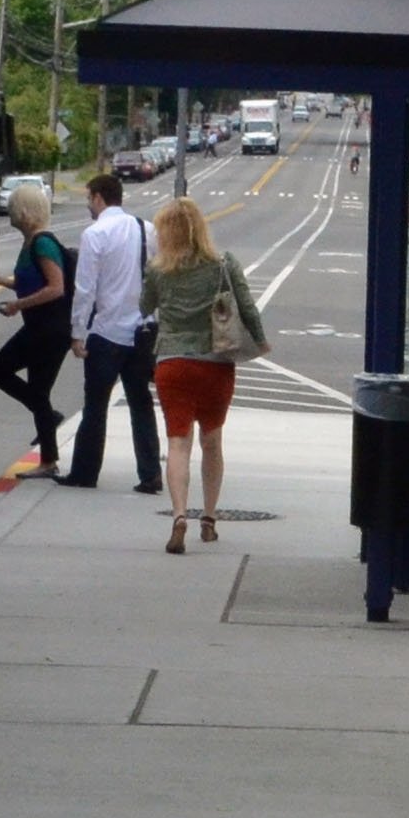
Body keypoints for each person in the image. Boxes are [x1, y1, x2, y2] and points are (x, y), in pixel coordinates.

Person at [143, 195, 264, 554]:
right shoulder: (222, 264)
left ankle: (180, 514)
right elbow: (247, 307)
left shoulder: (158, 269)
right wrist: (259, 341)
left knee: (178, 442)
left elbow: (143, 306)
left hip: (173, 364)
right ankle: (208, 519)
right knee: (212, 441)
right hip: (215, 364)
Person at [61, 171, 161, 493]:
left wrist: (77, 332)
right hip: (142, 331)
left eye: (89, 198)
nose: (88, 205)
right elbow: (156, 278)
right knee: (141, 403)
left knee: (96, 406)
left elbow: (85, 289)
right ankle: (150, 474)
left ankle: (85, 472)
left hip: (106, 332)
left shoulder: (95, 234)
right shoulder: (147, 230)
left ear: (99, 198)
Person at [0, 182, 74, 472]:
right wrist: (0, 280)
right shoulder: (30, 243)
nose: (8, 211)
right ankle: (49, 458)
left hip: (50, 329)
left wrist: (17, 305)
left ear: (24, 210)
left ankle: (49, 426)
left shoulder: (43, 242)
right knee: (38, 390)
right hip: (41, 327)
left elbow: (56, 287)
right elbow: (29, 280)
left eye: (12, 205)